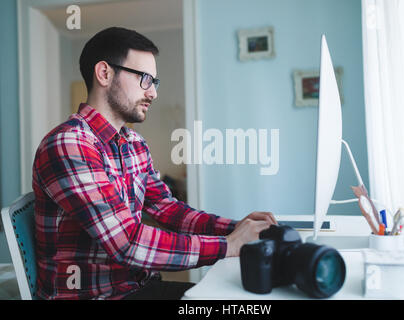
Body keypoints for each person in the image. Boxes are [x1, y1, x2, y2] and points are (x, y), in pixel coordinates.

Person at [32, 27, 277, 300]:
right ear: (104, 73)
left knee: (247, 301)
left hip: (138, 288)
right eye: (145, 79)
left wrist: (236, 228)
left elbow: (168, 209)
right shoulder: (69, 144)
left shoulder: (134, 143)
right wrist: (228, 245)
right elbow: (127, 242)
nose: (153, 93)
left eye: (154, 82)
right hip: (98, 296)